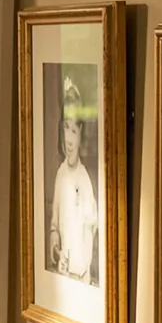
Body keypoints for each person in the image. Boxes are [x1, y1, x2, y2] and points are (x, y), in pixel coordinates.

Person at [47, 81, 98, 282]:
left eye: (73, 131)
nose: (68, 139)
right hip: (63, 277)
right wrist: (56, 248)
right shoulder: (60, 175)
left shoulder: (86, 181)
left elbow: (91, 234)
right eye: (65, 128)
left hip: (81, 278)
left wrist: (79, 268)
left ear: (81, 132)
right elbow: (54, 227)